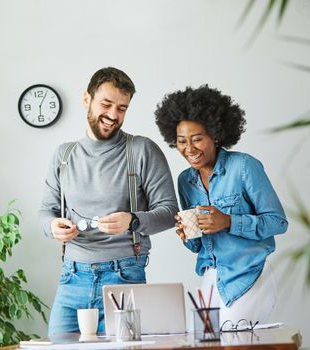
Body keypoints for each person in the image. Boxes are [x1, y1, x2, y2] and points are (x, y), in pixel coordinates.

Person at [39, 67, 178, 335]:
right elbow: (46, 211)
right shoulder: (64, 156)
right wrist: (53, 225)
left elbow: (170, 212)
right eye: (106, 104)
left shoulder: (141, 150)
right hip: (71, 278)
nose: (113, 115)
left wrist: (133, 220)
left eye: (122, 108)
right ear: (86, 99)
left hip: (124, 277)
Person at [154, 85, 288, 327]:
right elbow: (198, 246)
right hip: (210, 277)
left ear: (215, 135)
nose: (189, 148)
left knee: (231, 342)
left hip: (247, 273)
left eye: (197, 139)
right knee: (206, 342)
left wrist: (228, 222)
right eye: (181, 142)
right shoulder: (186, 180)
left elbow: (278, 222)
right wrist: (186, 235)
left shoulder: (244, 167)